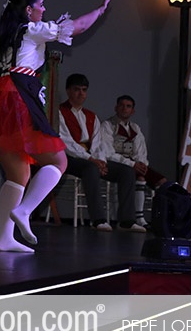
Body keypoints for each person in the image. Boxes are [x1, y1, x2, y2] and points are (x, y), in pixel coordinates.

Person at [0, 0, 112, 253]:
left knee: (18, 174)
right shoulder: (31, 29)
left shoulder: (8, 33)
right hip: (18, 98)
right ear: (28, 10)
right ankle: (25, 210)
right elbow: (77, 27)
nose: (44, 8)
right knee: (59, 161)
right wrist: (99, 11)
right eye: (41, 4)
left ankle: (4, 238)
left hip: (0, 99)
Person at [58, 74, 145, 233]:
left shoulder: (91, 116)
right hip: (70, 157)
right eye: (77, 90)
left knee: (126, 172)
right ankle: (98, 219)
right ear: (68, 91)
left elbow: (98, 143)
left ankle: (126, 221)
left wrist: (101, 161)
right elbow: (66, 142)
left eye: (84, 90)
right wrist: (91, 159)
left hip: (91, 157)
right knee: (90, 169)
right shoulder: (60, 112)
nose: (81, 94)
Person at [100, 95, 167, 227]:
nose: (124, 109)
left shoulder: (135, 128)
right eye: (121, 105)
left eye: (128, 106)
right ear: (116, 108)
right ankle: (138, 217)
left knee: (162, 181)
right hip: (117, 164)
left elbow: (141, 150)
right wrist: (131, 164)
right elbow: (107, 153)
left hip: (134, 163)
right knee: (139, 177)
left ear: (133, 111)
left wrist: (142, 164)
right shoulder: (107, 126)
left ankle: (161, 219)